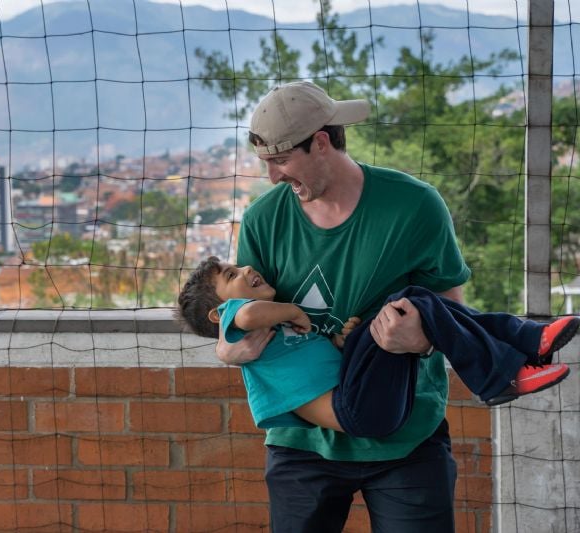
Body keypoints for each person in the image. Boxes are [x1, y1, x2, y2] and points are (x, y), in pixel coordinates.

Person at [214, 80, 572, 532]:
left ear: (321, 143)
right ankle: (518, 349)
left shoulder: (415, 204)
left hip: (406, 434)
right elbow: (242, 316)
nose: (272, 178)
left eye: (282, 161)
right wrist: (227, 349)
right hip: (302, 443)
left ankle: (518, 354)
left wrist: (420, 341)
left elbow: (450, 310)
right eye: (266, 163)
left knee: (416, 303)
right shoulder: (264, 219)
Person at [176, 257, 575, 437]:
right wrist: (294, 308)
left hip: (368, 398)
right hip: (358, 412)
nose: (245, 268)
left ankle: (526, 340)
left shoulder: (276, 337)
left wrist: (345, 341)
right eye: (232, 273)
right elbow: (246, 316)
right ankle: (500, 374)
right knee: (408, 301)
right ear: (219, 314)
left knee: (410, 300)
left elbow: (316, 367)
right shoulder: (240, 322)